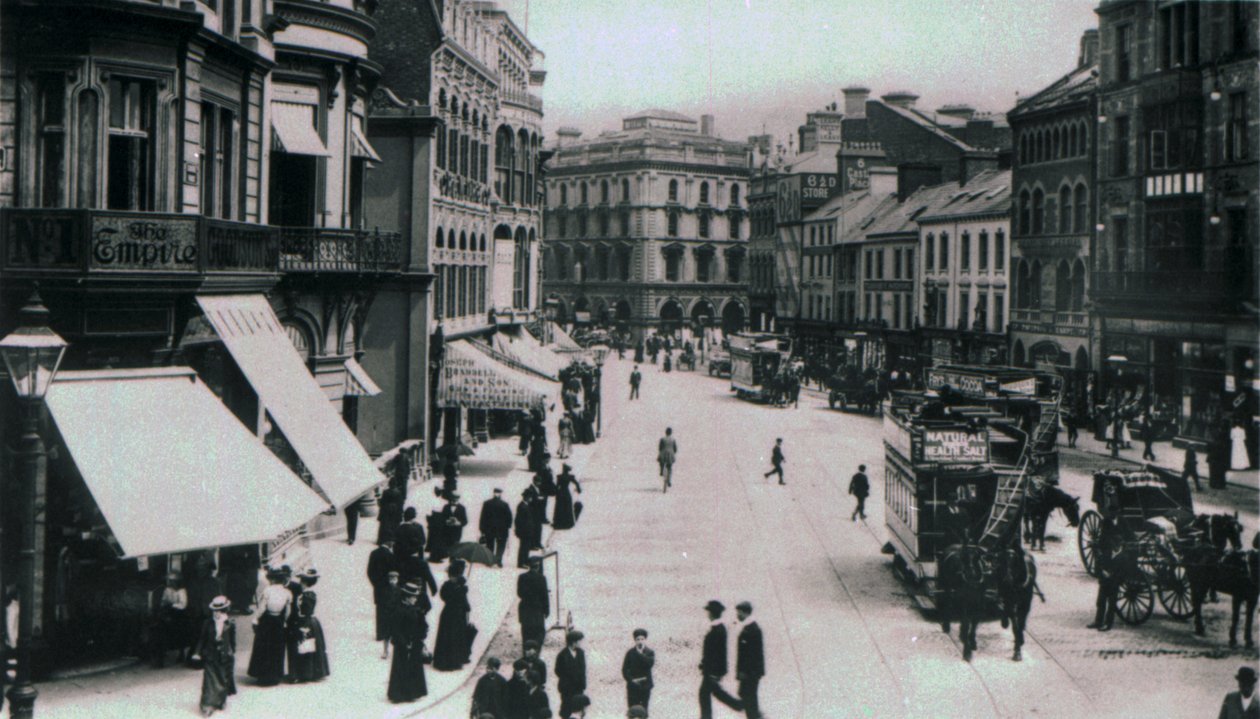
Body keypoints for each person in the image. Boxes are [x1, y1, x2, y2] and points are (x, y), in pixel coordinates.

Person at [699, 600, 743, 718]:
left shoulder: (718, 630)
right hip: (711, 670)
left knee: (705, 694)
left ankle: (738, 705)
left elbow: (717, 654)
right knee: (712, 692)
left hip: (712, 671)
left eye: (708, 612)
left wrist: (714, 672)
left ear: (712, 613)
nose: (707, 614)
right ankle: (738, 705)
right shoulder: (717, 628)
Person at [247, 568, 290, 686]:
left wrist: (255, 619)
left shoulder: (268, 590)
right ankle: (275, 676)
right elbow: (287, 612)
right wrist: (284, 622)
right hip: (278, 622)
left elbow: (262, 608)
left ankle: (262, 675)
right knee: (276, 648)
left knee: (264, 647)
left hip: (267, 621)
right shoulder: (287, 592)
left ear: (273, 579)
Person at [387, 582, 430, 703]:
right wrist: (404, 643)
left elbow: (423, 625)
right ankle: (399, 694)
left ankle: (412, 692)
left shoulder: (416, 610)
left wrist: (421, 634)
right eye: (413, 597)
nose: (415, 599)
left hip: (414, 643)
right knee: (401, 668)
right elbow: (395, 629)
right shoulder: (399, 610)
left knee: (413, 668)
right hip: (402, 645)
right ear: (406, 597)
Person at [194, 596, 236, 717]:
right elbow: (202, 639)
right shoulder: (207, 623)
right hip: (210, 655)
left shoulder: (230, 623)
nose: (217, 613)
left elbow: (232, 641)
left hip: (224, 655)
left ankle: (220, 702)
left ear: (225, 611)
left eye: (220, 611)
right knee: (209, 681)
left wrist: (231, 653)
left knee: (223, 679)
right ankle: (206, 705)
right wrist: (197, 652)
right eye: (215, 611)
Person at [288, 568, 329, 683]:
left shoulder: (307, 595)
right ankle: (309, 672)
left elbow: (306, 612)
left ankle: (305, 674)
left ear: (305, 582)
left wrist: (303, 627)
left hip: (306, 622)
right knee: (308, 647)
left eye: (301, 581)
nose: (300, 583)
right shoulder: (307, 594)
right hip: (309, 622)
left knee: (304, 646)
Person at [432, 560, 473, 671]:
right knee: (448, 638)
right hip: (450, 615)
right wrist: (460, 591)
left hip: (458, 615)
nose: (453, 578)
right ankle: (445, 663)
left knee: (457, 638)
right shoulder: (447, 586)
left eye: (455, 576)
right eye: (452, 576)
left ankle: (456, 661)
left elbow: (464, 603)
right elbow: (448, 598)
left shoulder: (460, 586)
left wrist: (466, 604)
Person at [1087, 516, 1122, 632]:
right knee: (1108, 600)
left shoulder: (1106, 540)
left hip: (1109, 574)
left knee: (1104, 600)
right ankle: (1104, 622)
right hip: (1112, 574)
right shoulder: (1115, 538)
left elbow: (1102, 557)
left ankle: (1103, 622)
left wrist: (1104, 571)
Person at [152, 572, 189, 668]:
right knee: (160, 628)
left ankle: (181, 653)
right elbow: (163, 601)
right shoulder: (167, 590)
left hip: (178, 614)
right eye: (170, 581)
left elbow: (183, 605)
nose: (171, 583)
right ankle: (160, 656)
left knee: (180, 631)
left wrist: (172, 605)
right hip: (168, 612)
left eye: (172, 581)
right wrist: (163, 607)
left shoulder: (182, 591)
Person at [735, 601, 765, 719]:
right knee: (746, 696)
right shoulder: (749, 628)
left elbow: (752, 655)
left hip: (750, 673)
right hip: (749, 673)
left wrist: (745, 672)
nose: (738, 615)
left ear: (745, 612)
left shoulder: (752, 630)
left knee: (749, 698)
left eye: (739, 612)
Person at [517, 558, 550, 652]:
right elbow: (544, 595)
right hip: (537, 609)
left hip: (525, 609)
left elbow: (519, 593)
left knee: (526, 632)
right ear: (538, 567)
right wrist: (547, 610)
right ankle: (536, 652)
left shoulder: (522, 577)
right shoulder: (542, 578)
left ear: (529, 566)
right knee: (539, 632)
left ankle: (526, 653)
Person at [621, 628, 655, 715]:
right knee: (632, 710)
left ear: (645, 640)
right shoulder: (630, 653)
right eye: (638, 639)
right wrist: (631, 680)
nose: (640, 641)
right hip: (633, 686)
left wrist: (639, 654)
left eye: (642, 639)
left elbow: (649, 664)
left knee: (644, 710)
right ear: (635, 640)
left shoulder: (649, 652)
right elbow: (624, 670)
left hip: (645, 686)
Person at [555, 630, 588, 717]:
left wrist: (583, 684)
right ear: (574, 642)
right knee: (566, 710)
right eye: (579, 641)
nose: (581, 643)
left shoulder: (581, 653)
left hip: (578, 688)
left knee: (578, 710)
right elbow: (557, 671)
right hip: (567, 689)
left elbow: (583, 669)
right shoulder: (562, 655)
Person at [480, 488, 514, 567]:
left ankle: (490, 560)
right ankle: (498, 560)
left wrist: (482, 529)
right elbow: (509, 517)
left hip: (489, 528)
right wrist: (508, 526)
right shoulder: (504, 504)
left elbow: (483, 517)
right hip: (502, 529)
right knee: (501, 545)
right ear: (500, 494)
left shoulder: (487, 503)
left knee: (490, 545)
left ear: (493, 493)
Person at [515, 489, 542, 569]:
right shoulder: (522, 507)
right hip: (524, 531)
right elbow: (519, 521)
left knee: (526, 547)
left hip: (527, 530)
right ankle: (521, 562)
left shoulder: (525, 505)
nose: (531, 499)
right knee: (523, 547)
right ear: (527, 497)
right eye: (530, 497)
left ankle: (525, 561)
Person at [552, 464, 583, 530]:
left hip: (560, 493)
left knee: (560, 508)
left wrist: (555, 492)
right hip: (566, 493)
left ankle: (559, 523)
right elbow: (576, 483)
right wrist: (578, 490)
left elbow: (557, 486)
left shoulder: (559, 476)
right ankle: (568, 523)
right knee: (567, 507)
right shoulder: (570, 477)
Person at [658, 427, 678, 493]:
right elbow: (675, 449)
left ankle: (661, 471)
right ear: (671, 433)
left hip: (663, 453)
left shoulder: (662, 439)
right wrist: (673, 452)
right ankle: (669, 480)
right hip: (670, 454)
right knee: (670, 468)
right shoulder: (673, 440)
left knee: (661, 462)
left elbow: (660, 448)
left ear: (665, 432)